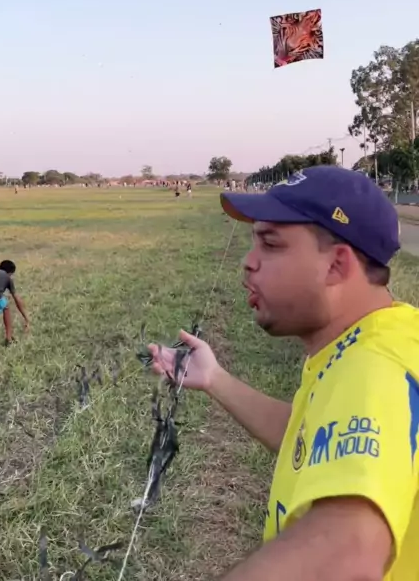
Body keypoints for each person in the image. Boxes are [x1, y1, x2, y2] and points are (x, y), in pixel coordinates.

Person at [148, 166, 419, 581]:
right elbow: (310, 436)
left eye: (270, 244)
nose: (248, 263)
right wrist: (215, 378)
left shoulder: (374, 364)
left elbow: (349, 552)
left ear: (336, 265)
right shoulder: (376, 337)